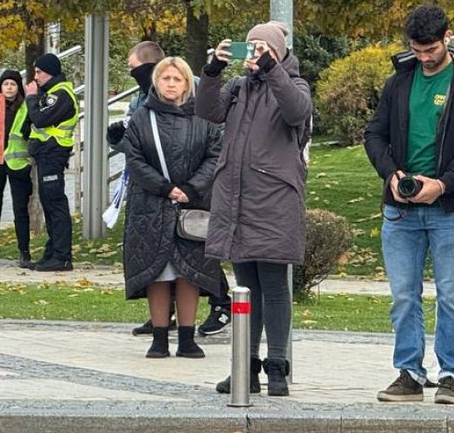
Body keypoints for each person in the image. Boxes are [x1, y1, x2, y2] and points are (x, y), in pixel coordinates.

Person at [364, 6, 454, 406]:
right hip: (400, 208)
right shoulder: (399, 81)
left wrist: (443, 184)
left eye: (431, 49)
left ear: (447, 36)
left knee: (451, 295)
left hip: (449, 208)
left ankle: (451, 374)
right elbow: (374, 135)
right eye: (417, 49)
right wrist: (391, 175)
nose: (424, 56)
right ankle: (409, 373)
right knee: (404, 296)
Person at [199, 22, 312, 397]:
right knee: (244, 287)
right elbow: (207, 111)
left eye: (261, 48)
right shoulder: (238, 88)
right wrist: (213, 70)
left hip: (275, 199)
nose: (254, 54)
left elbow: (296, 113)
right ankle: (244, 367)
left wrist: (271, 68)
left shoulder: (294, 84)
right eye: (250, 48)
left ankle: (277, 366)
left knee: (275, 285)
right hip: (236, 197)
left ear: (277, 52)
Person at [121, 57, 224, 360]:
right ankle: (160, 337)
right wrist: (165, 188)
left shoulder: (204, 118)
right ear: (156, 81)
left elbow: (214, 156)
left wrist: (191, 188)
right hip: (151, 206)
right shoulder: (142, 117)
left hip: (192, 207)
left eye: (177, 79)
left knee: (189, 274)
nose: (171, 84)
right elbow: (134, 158)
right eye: (165, 78)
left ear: (187, 84)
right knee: (158, 274)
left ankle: (188, 338)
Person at [25, 52, 78, 272]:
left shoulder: (60, 94)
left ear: (50, 72)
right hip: (46, 154)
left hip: (53, 154)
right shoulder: (50, 92)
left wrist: (30, 98)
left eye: (39, 72)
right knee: (49, 204)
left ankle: (62, 257)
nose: (35, 76)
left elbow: (40, 118)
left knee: (55, 204)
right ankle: (52, 253)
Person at [0, 69, 33, 268]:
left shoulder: (26, 107)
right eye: (6, 84)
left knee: (20, 209)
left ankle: (24, 253)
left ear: (18, 88)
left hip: (17, 163)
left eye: (13, 84)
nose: (9, 88)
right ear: (0, 86)